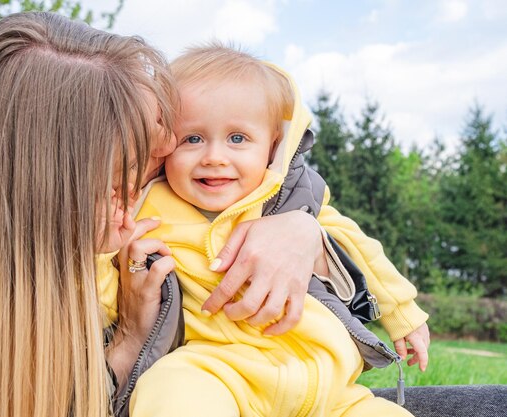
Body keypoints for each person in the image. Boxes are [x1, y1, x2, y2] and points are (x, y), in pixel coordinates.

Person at [0, 12, 334, 417]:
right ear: (48, 188)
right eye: (121, 182)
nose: (139, 202)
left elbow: (271, 180)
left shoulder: (157, 167)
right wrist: (131, 339)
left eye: (158, 154)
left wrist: (303, 229)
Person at [127, 45, 430, 417]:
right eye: (193, 139)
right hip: (218, 369)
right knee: (171, 390)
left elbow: (359, 247)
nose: (214, 156)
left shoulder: (295, 197)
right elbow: (105, 269)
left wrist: (403, 315)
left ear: (272, 146)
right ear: (165, 144)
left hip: (327, 385)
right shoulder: (148, 208)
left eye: (237, 138)